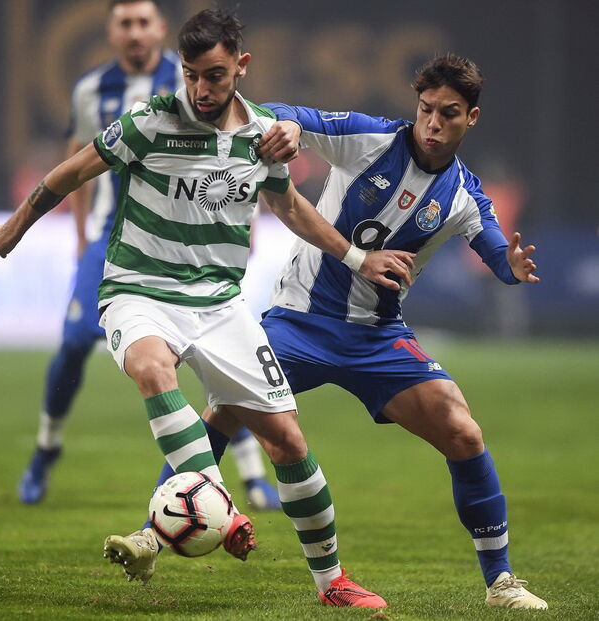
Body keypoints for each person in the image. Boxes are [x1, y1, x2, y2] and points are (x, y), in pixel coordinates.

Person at [0, 6, 412, 598]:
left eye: (215, 75)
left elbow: (291, 209)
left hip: (219, 305)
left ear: (241, 66)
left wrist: (358, 259)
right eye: (192, 74)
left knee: (289, 442)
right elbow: (71, 171)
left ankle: (332, 581)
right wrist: (14, 228)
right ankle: (217, 506)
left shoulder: (260, 136)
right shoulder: (150, 121)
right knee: (153, 369)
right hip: (138, 289)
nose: (202, 89)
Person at [126, 53, 547, 610]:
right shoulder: (371, 139)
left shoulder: (466, 195)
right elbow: (286, 113)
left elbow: (495, 250)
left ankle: (501, 583)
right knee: (225, 409)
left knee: (463, 431)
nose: (433, 123)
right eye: (426, 109)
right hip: (299, 320)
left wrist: (510, 269)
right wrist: (291, 129)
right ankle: (152, 534)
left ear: (471, 118)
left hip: (376, 336)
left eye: (449, 113)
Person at [17, 0, 283, 512]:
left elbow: (232, 153)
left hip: (189, 238)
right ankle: (46, 449)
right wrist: (79, 240)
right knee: (73, 344)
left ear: (161, 30)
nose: (135, 33)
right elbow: (77, 164)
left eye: (144, 23)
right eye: (125, 24)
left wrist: (237, 223)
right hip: (108, 238)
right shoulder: (91, 90)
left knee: (214, 355)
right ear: (112, 32)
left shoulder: (193, 79)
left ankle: (250, 476)